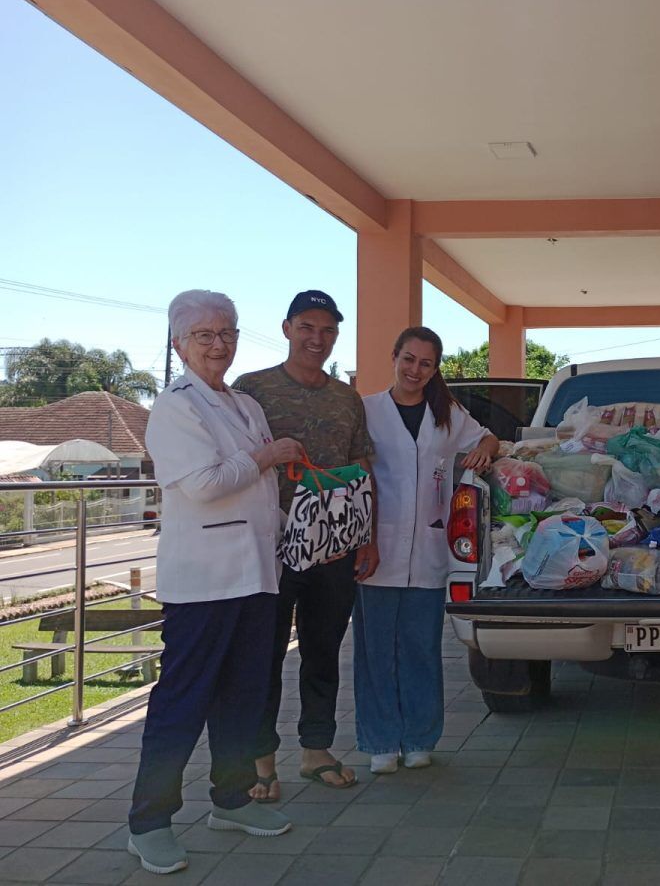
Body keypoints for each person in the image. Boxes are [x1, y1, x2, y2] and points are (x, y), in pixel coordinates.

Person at [128, 290, 303, 874]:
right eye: (204, 335)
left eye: (226, 332)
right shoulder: (175, 406)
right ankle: (149, 822)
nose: (218, 344)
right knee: (183, 701)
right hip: (203, 583)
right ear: (178, 343)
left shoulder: (245, 405)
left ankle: (232, 800)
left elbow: (258, 488)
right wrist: (268, 456)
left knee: (245, 696)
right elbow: (203, 484)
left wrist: (292, 520)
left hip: (256, 575)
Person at [233, 291, 378, 800]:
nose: (318, 339)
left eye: (328, 330)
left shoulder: (346, 398)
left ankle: (316, 751)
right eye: (308, 328)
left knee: (323, 651)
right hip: (270, 546)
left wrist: (368, 538)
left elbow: (363, 469)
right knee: (263, 654)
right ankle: (261, 761)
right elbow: (231, 460)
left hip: (334, 548)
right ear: (287, 328)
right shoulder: (251, 389)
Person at [355, 327, 498, 773]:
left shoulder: (447, 413)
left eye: (426, 363)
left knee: (420, 647)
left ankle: (419, 738)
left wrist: (483, 454)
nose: (416, 370)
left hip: (430, 550)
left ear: (435, 369)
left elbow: (488, 437)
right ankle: (381, 742)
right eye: (409, 359)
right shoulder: (367, 410)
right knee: (376, 649)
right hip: (376, 546)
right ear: (394, 356)